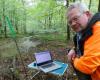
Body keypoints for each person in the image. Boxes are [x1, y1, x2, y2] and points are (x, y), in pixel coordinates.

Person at [67, 2, 100, 80]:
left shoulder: (97, 29)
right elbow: (84, 44)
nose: (73, 24)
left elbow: (86, 66)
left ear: (87, 14)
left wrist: (73, 59)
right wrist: (74, 49)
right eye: (70, 22)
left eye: (75, 18)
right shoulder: (82, 32)